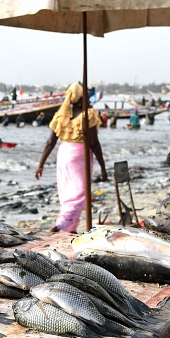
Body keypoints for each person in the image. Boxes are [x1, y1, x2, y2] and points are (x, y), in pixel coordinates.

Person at [35, 82, 108, 233]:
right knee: (79, 192)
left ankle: (71, 226)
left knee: (67, 191)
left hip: (63, 153)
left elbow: (50, 142)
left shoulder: (61, 116)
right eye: (86, 97)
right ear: (81, 99)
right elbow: (94, 143)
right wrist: (103, 167)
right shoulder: (88, 115)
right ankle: (62, 224)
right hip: (80, 154)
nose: (88, 100)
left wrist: (41, 164)